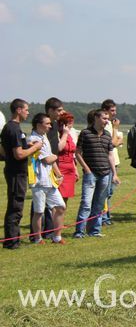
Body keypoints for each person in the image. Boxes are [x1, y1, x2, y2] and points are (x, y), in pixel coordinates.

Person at [2, 99, 43, 249]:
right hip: (16, 173)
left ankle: (13, 239)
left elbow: (16, 148)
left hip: (17, 172)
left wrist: (28, 145)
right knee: (16, 207)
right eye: (26, 109)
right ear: (18, 110)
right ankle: (12, 242)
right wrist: (36, 147)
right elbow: (18, 154)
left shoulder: (14, 128)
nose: (28, 112)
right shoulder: (13, 129)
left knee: (16, 205)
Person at [74, 109, 120, 238]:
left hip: (105, 174)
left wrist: (114, 174)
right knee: (86, 203)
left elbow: (110, 155)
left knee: (99, 204)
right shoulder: (85, 133)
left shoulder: (106, 135)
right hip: (91, 174)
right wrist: (86, 169)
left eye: (107, 119)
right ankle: (79, 231)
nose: (107, 121)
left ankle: (95, 230)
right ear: (96, 118)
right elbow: (77, 153)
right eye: (104, 118)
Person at [29, 97, 67, 241]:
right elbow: (47, 158)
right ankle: (37, 238)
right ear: (39, 125)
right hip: (38, 181)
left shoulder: (44, 137)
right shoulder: (33, 139)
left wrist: (58, 173)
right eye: (47, 124)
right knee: (39, 211)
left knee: (61, 206)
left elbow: (51, 158)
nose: (50, 126)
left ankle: (57, 236)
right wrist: (57, 155)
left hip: (49, 180)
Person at [100, 99, 123, 226]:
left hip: (115, 160)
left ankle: (106, 216)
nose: (114, 113)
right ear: (105, 110)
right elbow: (114, 142)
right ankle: (104, 218)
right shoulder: (107, 125)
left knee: (110, 192)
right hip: (108, 162)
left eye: (115, 110)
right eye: (112, 110)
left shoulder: (110, 124)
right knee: (106, 192)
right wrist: (115, 128)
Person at [55, 113, 78, 208]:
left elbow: (72, 154)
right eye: (68, 123)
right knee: (58, 198)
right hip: (60, 167)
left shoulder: (70, 136)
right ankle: (54, 221)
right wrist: (64, 133)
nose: (70, 125)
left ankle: (60, 221)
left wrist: (75, 169)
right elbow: (59, 148)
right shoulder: (58, 134)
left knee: (65, 198)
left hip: (70, 167)